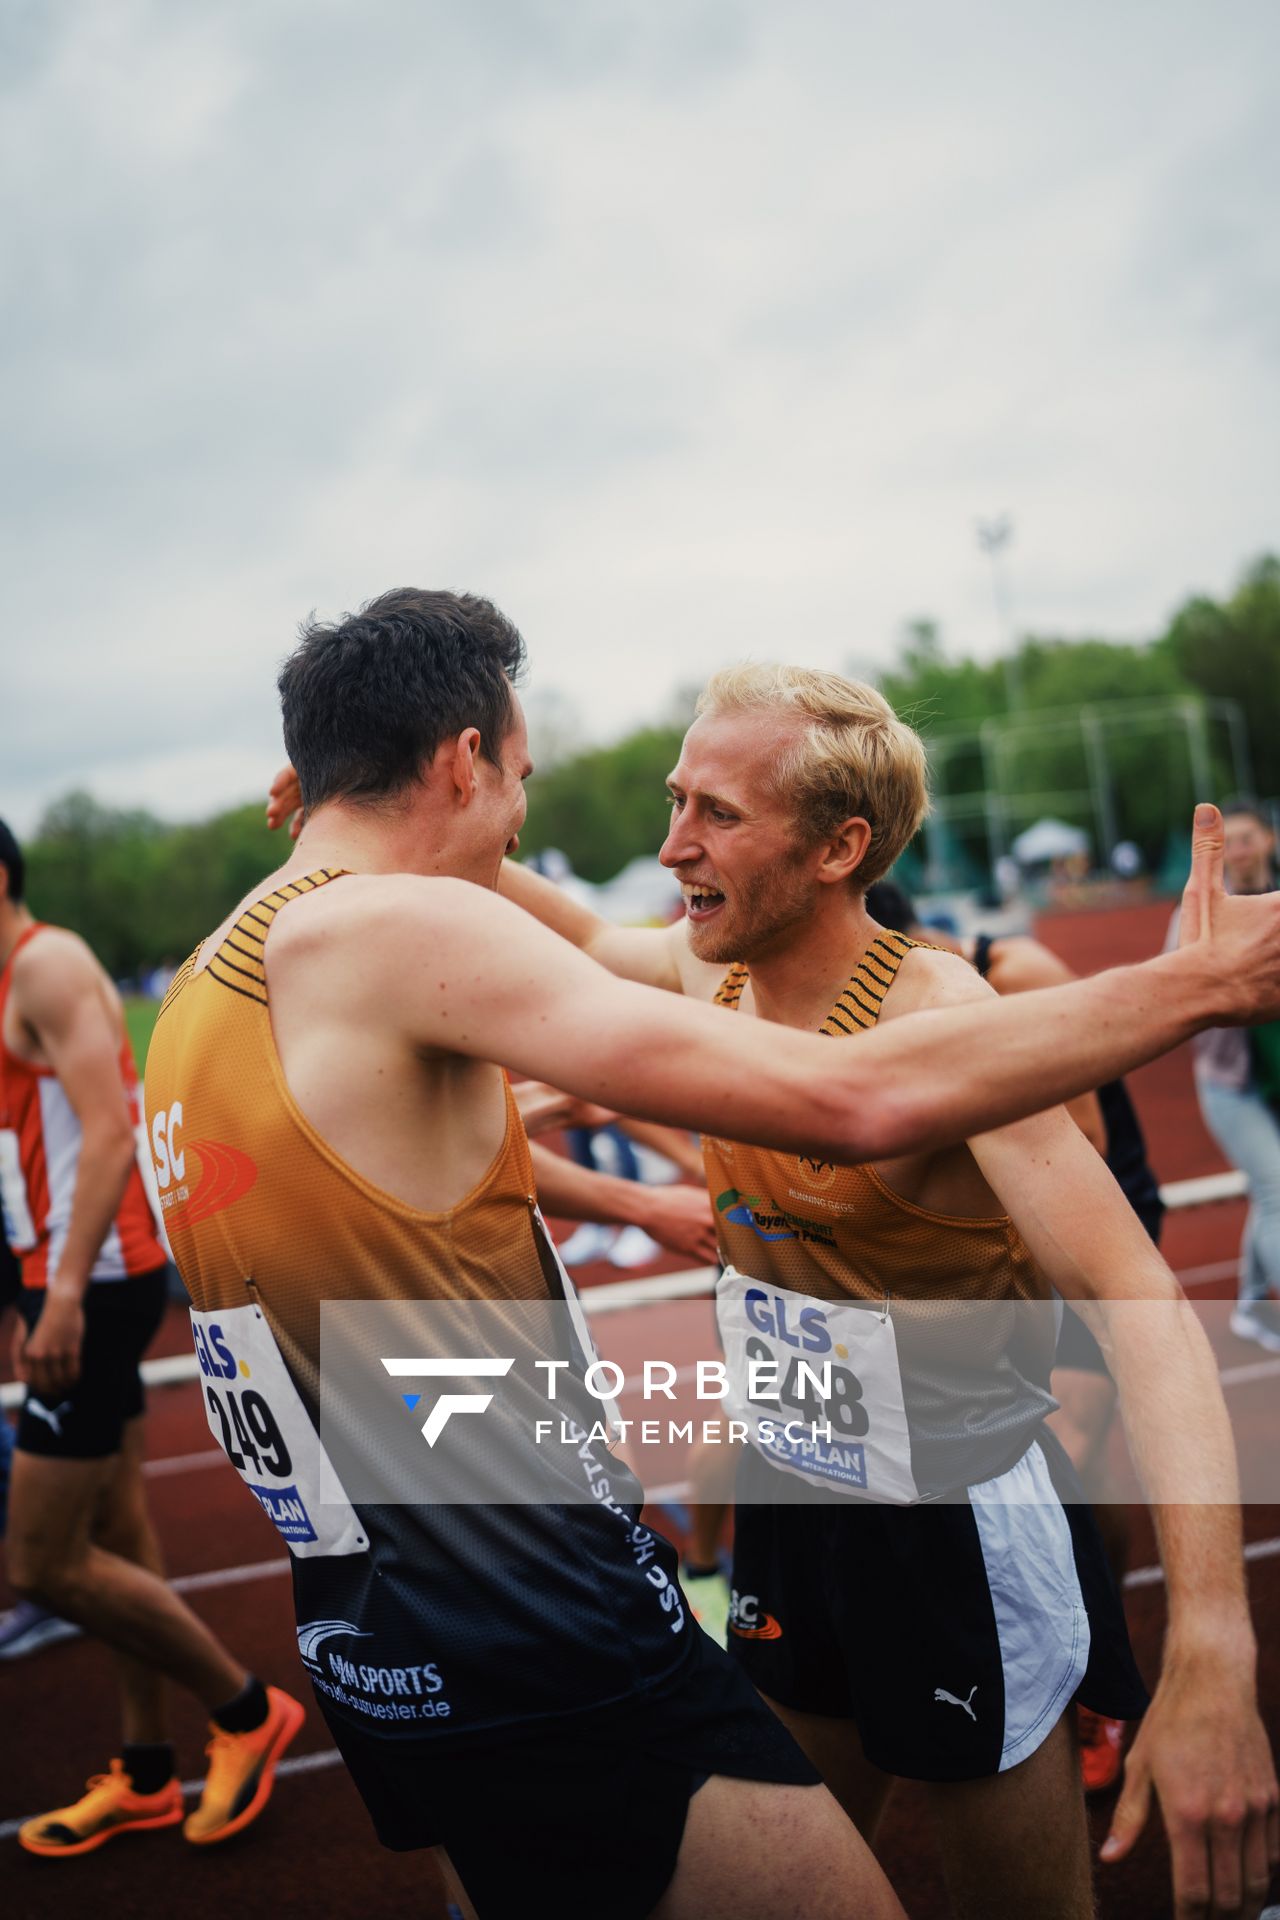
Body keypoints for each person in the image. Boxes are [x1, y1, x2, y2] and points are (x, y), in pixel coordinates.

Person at [495, 662, 1280, 1920]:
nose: (669, 843)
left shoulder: (944, 1011)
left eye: (715, 814)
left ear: (836, 846)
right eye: (674, 799)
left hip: (949, 1527)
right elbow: (586, 938)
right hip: (794, 1502)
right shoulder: (713, 971)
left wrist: (1211, 1644)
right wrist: (400, 819)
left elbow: (1137, 1297)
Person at [0, 818, 303, 1856]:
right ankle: (141, 1771)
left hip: (99, 1282)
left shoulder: (48, 964)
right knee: (115, 1536)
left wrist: (64, 1295)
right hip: (51, 1279)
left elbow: (112, 1130)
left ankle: (245, 1711)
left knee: (42, 1563)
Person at [866, 877, 1162, 1795]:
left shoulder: (1008, 976)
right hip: (990, 1240)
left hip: (1079, 1218)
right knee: (1071, 1447)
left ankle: (1101, 1687)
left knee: (1069, 1430)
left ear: (915, 942)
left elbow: (1080, 1140)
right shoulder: (882, 1006)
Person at [1173, 802, 1280, 1354]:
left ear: (1268, 840)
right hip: (1233, 1083)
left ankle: (1249, 1301)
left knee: (1272, 1194)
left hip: (1276, 1076)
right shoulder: (1202, 907)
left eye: (1248, 838)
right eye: (1229, 841)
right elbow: (1171, 983)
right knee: (1277, 1189)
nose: (1238, 849)